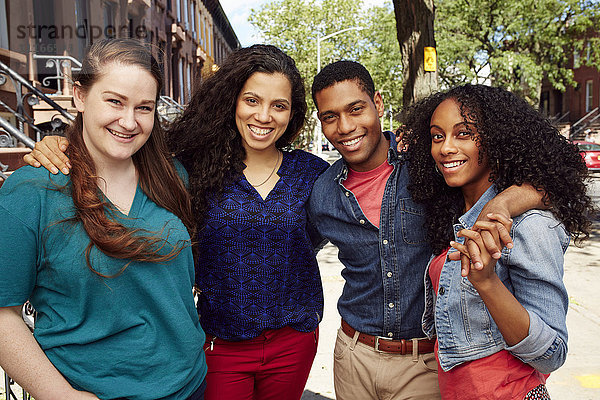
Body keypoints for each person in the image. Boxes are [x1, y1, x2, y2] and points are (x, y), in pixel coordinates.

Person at [23, 44, 328, 400]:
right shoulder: (189, 168)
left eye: (279, 105)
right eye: (252, 100)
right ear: (232, 101)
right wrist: (59, 144)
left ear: (292, 114)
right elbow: (124, 139)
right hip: (220, 341)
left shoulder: (312, 174)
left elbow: (331, 231)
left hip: (292, 341)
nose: (264, 115)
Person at [308, 61, 547, 400]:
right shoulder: (322, 192)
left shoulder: (430, 164)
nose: (345, 126)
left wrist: (504, 203)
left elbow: (549, 184)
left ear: (378, 103)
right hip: (353, 356)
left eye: (355, 109)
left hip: (425, 363)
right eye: (330, 116)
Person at [0, 39, 207, 400]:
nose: (129, 122)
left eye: (144, 107)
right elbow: (4, 315)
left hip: (189, 387)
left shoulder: (173, 177)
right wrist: (62, 396)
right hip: (90, 391)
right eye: (114, 101)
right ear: (80, 96)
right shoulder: (31, 191)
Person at [401, 84, 593, 399]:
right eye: (437, 136)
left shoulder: (530, 226)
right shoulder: (451, 214)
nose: (445, 148)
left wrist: (487, 282)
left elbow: (552, 353)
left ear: (497, 140)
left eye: (463, 133)